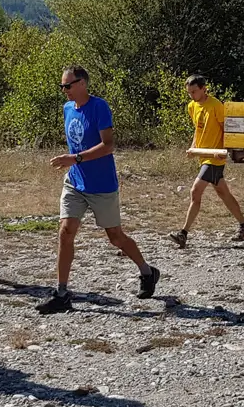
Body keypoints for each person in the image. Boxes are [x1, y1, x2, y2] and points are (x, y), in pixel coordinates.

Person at [36, 66, 161, 314]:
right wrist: (72, 163)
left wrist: (76, 158)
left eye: (68, 86)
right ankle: (61, 293)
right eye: (62, 86)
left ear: (82, 83)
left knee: (115, 237)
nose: (64, 91)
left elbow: (108, 146)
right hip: (75, 182)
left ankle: (147, 271)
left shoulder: (99, 107)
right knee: (65, 230)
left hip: (101, 185)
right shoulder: (68, 109)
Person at [168, 75, 244, 248]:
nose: (191, 95)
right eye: (189, 92)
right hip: (203, 156)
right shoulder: (192, 106)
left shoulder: (216, 105)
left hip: (214, 158)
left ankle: (183, 233)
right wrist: (193, 147)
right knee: (223, 193)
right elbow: (197, 130)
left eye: (194, 91)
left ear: (203, 88)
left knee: (195, 191)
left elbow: (225, 130)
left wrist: (223, 151)